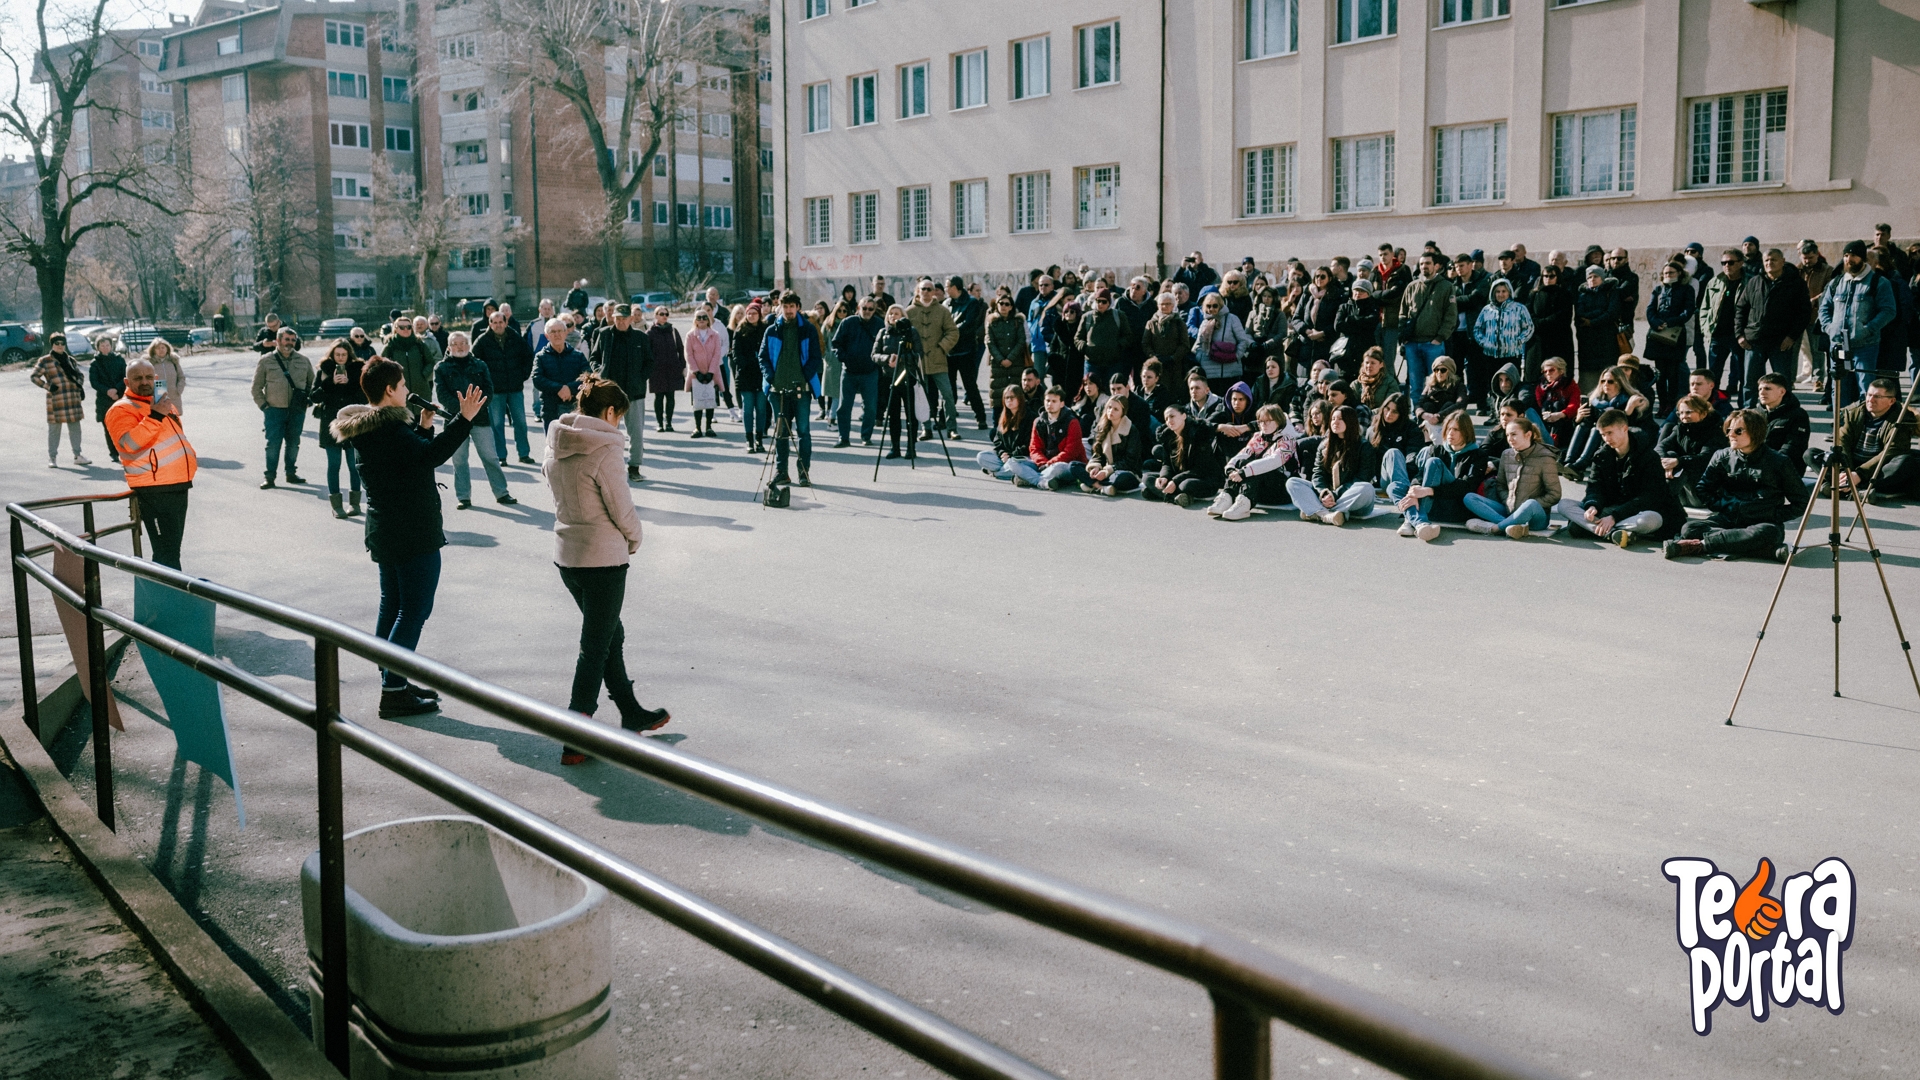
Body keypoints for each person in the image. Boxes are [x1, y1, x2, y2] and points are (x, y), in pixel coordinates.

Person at [332, 358, 485, 718]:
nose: (406, 390)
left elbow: (411, 459)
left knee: (394, 604)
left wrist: (425, 427)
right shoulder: (390, 431)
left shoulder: (370, 428)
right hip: (411, 530)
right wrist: (463, 420)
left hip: (386, 528)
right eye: (402, 385)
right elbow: (428, 456)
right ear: (389, 390)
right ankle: (393, 690)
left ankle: (392, 676)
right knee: (413, 610)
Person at [543, 375, 670, 763]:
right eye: (619, 417)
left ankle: (631, 711)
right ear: (610, 411)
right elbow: (621, 507)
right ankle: (575, 736)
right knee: (595, 648)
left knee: (610, 634)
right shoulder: (606, 448)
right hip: (603, 559)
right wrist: (635, 539)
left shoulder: (557, 440)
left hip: (568, 554)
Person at [1665, 410, 1802, 563]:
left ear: (1755, 432)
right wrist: (1723, 506)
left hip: (1762, 523)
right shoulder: (1722, 456)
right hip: (1727, 520)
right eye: (1729, 430)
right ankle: (1767, 550)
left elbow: (1801, 502)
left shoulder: (1779, 461)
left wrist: (1771, 514)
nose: (1731, 434)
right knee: (1689, 529)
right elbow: (1703, 488)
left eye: (1738, 431)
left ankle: (1700, 545)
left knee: (1766, 533)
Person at [105, 358, 197, 570]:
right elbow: (129, 444)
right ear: (127, 382)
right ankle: (168, 601)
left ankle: (170, 599)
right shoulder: (121, 409)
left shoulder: (162, 402)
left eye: (149, 377)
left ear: (156, 379)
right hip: (154, 489)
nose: (145, 382)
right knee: (166, 554)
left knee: (172, 551)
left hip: (179, 483)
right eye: (138, 378)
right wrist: (155, 416)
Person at [1556, 409, 1683, 547]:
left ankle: (1597, 529)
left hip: (1638, 511)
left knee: (1652, 520)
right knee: (1564, 505)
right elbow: (1594, 486)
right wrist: (1593, 505)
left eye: (1610, 433)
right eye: (1603, 434)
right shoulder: (1601, 456)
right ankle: (1612, 533)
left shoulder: (1649, 456)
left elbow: (1650, 497)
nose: (1606, 439)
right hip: (1610, 507)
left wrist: (1614, 517)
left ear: (1624, 429)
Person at [437, 331, 516, 509]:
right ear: (449, 347)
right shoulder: (441, 368)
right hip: (454, 420)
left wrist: (475, 407)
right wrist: (464, 410)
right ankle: (464, 497)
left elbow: (489, 389)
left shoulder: (480, 365)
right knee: (459, 460)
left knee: (490, 457)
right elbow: (442, 396)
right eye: (456, 343)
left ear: (469, 344)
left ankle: (502, 493)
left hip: (480, 419)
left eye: (464, 343)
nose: (460, 346)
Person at [1818, 239, 1899, 407]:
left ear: (1863, 258)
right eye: (1846, 255)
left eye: (1853, 255)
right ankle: (1841, 428)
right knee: (1839, 388)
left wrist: (1869, 328)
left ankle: (1865, 426)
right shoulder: (1836, 283)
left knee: (1867, 389)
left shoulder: (1879, 282)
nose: (1849, 259)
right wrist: (1829, 327)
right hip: (1839, 345)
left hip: (1865, 346)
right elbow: (1824, 308)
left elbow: (1888, 310)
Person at [757, 291, 822, 486]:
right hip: (777, 391)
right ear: (780, 308)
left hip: (801, 390)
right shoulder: (772, 330)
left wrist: (805, 376)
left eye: (792, 306)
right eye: (785, 307)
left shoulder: (808, 329)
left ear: (798, 307)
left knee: (803, 432)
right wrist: (770, 378)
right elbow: (763, 357)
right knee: (781, 433)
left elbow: (815, 358)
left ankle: (803, 472)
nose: (789, 310)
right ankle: (781, 471)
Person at [1395, 410, 1491, 542]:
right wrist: (1415, 489)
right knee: (1395, 487)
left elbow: (1467, 486)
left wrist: (1428, 491)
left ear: (1466, 432)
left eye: (1456, 429)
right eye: (1449, 428)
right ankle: (1419, 521)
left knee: (1434, 463)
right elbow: (1420, 475)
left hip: (1454, 508)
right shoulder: (1438, 449)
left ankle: (1413, 519)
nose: (1451, 433)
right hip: (1434, 507)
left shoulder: (1478, 455)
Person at [1737, 248, 1810, 408]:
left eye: (1774, 260)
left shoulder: (1795, 283)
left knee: (1782, 382)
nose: (1770, 263)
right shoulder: (1754, 281)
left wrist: (1792, 336)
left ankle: (1784, 412)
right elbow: (1741, 308)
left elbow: (1804, 313)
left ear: (1783, 261)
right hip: (1754, 341)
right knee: (1750, 382)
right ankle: (1748, 412)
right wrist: (1740, 335)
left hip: (1781, 342)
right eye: (1767, 260)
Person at [1284, 405, 1379, 527]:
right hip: (1327, 495)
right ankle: (1327, 515)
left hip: (1351, 499)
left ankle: (1316, 511)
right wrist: (1323, 493)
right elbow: (1318, 474)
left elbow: (1363, 477)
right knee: (1292, 482)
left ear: (1350, 421)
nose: (1335, 422)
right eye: (1333, 419)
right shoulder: (1324, 445)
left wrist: (1335, 495)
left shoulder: (1364, 447)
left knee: (1366, 488)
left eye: (1340, 419)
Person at [587, 304, 652, 478]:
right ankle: (608, 467)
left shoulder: (640, 337)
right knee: (607, 431)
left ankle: (634, 467)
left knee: (636, 433)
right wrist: (600, 371)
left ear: (631, 319)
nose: (621, 321)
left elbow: (650, 362)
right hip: (610, 393)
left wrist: (640, 378)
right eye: (618, 318)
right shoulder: (604, 334)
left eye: (624, 318)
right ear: (613, 318)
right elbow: (594, 357)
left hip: (634, 393)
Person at [1831, 378, 1920, 500]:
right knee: (1812, 454)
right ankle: (1855, 489)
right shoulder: (1853, 412)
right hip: (1852, 463)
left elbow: (1893, 450)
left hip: (1878, 468)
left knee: (1905, 461)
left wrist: (1859, 474)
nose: (1870, 400)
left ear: (1891, 401)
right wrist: (1845, 470)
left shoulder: (1902, 418)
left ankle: (1846, 488)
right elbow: (1843, 441)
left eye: (1877, 397)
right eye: (1869, 395)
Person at [250, 327, 313, 489]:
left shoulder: (303, 360)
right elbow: (256, 388)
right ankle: (269, 477)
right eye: (287, 339)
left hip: (296, 411)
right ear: (278, 341)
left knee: (293, 443)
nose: (290, 343)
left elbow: (312, 384)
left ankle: (291, 473)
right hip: (274, 410)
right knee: (273, 444)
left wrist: (308, 401)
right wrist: (265, 406)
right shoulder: (266, 360)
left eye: (293, 340)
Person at [473, 310, 536, 464]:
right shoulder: (482, 341)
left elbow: (528, 356)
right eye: (494, 322)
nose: (498, 325)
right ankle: (501, 456)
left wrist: (523, 375)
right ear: (490, 324)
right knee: (497, 424)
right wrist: (485, 383)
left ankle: (523, 454)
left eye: (501, 322)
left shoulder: (515, 337)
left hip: (515, 388)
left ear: (506, 322)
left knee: (520, 422)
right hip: (495, 391)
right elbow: (474, 364)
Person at [312, 339, 365, 518]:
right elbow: (313, 397)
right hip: (331, 424)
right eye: (337, 355)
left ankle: (355, 504)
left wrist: (349, 383)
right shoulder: (324, 371)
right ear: (332, 355)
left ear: (349, 355)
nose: (341, 358)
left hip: (352, 423)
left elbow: (364, 398)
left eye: (344, 355)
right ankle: (336, 506)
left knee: (353, 465)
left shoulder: (358, 370)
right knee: (334, 465)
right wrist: (330, 383)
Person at [906, 279, 961, 439]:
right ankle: (926, 428)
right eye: (924, 289)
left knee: (948, 395)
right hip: (919, 362)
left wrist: (941, 347)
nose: (927, 292)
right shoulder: (910, 311)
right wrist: (912, 352)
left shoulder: (942, 311)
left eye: (930, 289)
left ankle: (951, 428)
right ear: (918, 290)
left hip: (938, 361)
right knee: (922, 397)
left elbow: (953, 331)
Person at [1658, 394, 1729, 507]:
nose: (1684, 416)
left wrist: (1678, 462)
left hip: (1702, 494)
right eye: (1680, 413)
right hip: (1682, 493)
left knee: (1684, 465)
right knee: (1670, 454)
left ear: (1703, 413)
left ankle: (1661, 501)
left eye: (1688, 412)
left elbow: (1706, 458)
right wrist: (1665, 461)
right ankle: (1660, 498)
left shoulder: (1715, 432)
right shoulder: (1680, 429)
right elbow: (1660, 447)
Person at [1145, 406, 1224, 506]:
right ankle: (1177, 498)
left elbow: (1200, 468)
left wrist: (1175, 481)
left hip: (1203, 478)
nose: (1169, 420)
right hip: (1180, 475)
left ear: (1183, 416)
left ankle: (1161, 494)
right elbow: (1166, 463)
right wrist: (1164, 477)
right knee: (1147, 478)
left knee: (1185, 485)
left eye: (1172, 416)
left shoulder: (1198, 434)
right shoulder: (1167, 436)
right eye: (1166, 418)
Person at [31, 333, 89, 467]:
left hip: (72, 399)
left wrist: (77, 385)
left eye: (62, 343)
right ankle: (52, 458)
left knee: (75, 428)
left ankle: (77, 455)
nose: (60, 346)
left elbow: (79, 375)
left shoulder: (70, 360)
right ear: (52, 344)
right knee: (54, 430)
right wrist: (47, 386)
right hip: (56, 400)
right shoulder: (45, 361)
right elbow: (34, 377)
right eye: (57, 343)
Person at [830, 298, 881, 448]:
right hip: (849, 371)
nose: (867, 311)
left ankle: (866, 436)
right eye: (864, 308)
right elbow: (836, 343)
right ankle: (843, 437)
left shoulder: (879, 324)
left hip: (870, 371)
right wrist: (844, 358)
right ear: (859, 307)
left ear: (874, 310)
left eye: (870, 309)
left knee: (871, 407)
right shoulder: (848, 322)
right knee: (844, 406)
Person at [1698, 249, 1748, 400]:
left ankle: (1743, 406)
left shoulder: (1750, 281)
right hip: (1717, 334)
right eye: (1724, 263)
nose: (1727, 266)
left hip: (1740, 335)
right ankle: (1712, 405)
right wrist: (1706, 328)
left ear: (1741, 263)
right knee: (1713, 375)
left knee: (1743, 374)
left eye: (1731, 262)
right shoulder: (1715, 281)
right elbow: (1705, 307)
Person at [533, 318, 591, 436]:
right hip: (551, 408)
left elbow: (588, 379)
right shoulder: (541, 357)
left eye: (560, 331)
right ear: (547, 335)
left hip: (575, 407)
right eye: (553, 332)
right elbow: (537, 379)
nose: (557, 334)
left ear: (566, 333)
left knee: (575, 446)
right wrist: (559, 388)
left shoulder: (578, 356)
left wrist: (570, 388)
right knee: (553, 446)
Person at [1083, 394, 1150, 496]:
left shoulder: (1131, 430)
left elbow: (1130, 461)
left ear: (1123, 412)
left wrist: (1107, 471)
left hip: (1125, 471)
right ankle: (1102, 487)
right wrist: (1096, 467)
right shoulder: (1102, 427)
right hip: (1104, 470)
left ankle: (1094, 484)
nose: (1111, 411)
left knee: (1120, 478)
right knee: (1074, 466)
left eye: (1115, 409)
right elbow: (1097, 454)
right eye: (1109, 407)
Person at [945, 276, 989, 429]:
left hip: (965, 351)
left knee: (970, 385)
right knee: (948, 387)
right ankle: (948, 417)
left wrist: (950, 333)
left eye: (947, 286)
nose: (945, 289)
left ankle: (981, 417)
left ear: (955, 287)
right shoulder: (946, 303)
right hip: (949, 351)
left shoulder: (971, 302)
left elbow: (968, 324)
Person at [1026, 385, 1088, 490]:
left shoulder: (1072, 422)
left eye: (1054, 401)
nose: (1050, 404)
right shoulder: (1038, 422)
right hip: (1043, 464)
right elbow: (1034, 448)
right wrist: (1043, 463)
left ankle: (1029, 479)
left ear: (1062, 404)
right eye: (1047, 400)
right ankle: (1043, 480)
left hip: (1066, 465)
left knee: (1057, 468)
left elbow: (1071, 452)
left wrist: (1049, 464)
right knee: (1014, 463)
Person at [1191, 290, 1251, 396]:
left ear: (1221, 305)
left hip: (1230, 370)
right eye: (1208, 306)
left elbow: (1243, 340)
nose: (1212, 309)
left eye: (1215, 306)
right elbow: (1198, 345)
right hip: (1210, 371)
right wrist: (1201, 358)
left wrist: (1237, 356)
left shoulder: (1232, 319)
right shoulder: (1205, 323)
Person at [1798, 240, 1837, 395]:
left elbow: (1829, 289)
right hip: (1798, 315)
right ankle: (1788, 380)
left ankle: (1818, 380)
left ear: (1817, 255)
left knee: (1817, 350)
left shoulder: (1827, 270)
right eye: (1804, 258)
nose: (1807, 261)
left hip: (1817, 315)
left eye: (1810, 258)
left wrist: (1814, 300)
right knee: (1794, 350)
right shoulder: (1796, 270)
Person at [732, 303, 772, 452]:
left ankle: (759, 439)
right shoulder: (740, 330)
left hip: (761, 375)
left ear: (759, 315)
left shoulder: (764, 330)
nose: (751, 316)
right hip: (746, 375)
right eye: (749, 314)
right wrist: (748, 363)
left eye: (754, 314)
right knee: (747, 409)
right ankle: (749, 440)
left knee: (761, 409)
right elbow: (736, 354)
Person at [1755, 372, 1811, 473]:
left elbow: (1791, 448)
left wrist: (1764, 464)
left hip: (1785, 470)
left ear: (1782, 392)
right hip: (1756, 466)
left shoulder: (1798, 415)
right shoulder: (1754, 414)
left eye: (1767, 389)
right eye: (1760, 389)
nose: (1762, 393)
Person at [683, 308, 727, 438]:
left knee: (710, 400)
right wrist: (696, 371)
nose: (701, 320)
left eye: (704, 317)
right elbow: (689, 355)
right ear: (695, 321)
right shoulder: (690, 335)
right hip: (696, 373)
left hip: (711, 373)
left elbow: (717, 354)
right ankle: (697, 427)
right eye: (699, 317)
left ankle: (708, 427)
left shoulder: (715, 334)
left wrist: (711, 372)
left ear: (708, 320)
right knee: (697, 401)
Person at [1573, 265, 1620, 384]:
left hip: (1606, 338)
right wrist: (1599, 312)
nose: (1592, 279)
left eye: (1596, 276)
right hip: (1588, 340)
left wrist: (1592, 321)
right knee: (1589, 373)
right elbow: (1580, 313)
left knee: (1607, 369)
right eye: (1589, 277)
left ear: (1602, 278)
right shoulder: (1582, 295)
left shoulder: (1611, 292)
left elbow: (1611, 313)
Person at [977, 384, 1034, 482]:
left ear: (1019, 398)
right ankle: (1008, 472)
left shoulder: (1030, 417)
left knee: (1014, 464)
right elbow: (997, 441)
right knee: (982, 456)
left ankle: (996, 473)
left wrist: (1011, 455)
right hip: (1005, 458)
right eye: (1006, 398)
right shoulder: (1004, 417)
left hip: (1021, 457)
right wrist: (1002, 453)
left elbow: (1029, 444)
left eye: (1012, 397)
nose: (1009, 400)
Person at [646, 305, 686, 432]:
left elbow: (681, 349)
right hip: (657, 371)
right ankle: (659, 423)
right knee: (659, 397)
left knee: (670, 397)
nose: (664, 316)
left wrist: (681, 365)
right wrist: (650, 368)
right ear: (656, 316)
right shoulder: (650, 332)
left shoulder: (673, 331)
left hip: (672, 369)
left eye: (666, 314)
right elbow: (647, 353)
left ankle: (669, 422)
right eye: (661, 314)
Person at [87, 333, 127, 458]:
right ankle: (113, 452)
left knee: (123, 425)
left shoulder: (119, 359)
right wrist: (108, 391)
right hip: (104, 398)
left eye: (107, 345)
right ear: (98, 347)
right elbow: (94, 382)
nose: (105, 348)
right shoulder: (95, 363)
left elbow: (125, 377)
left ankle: (124, 450)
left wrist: (116, 389)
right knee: (108, 426)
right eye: (102, 345)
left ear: (111, 346)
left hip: (119, 396)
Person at [1415, 356, 1467, 442]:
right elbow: (1419, 403)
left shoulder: (1459, 385)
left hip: (1446, 420)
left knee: (1449, 404)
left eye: (1443, 370)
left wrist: (1439, 416)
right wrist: (1423, 414)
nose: (1439, 373)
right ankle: (1424, 436)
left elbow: (1461, 404)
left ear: (1449, 371)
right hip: (1430, 419)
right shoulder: (1430, 385)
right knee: (1427, 405)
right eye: (1436, 370)